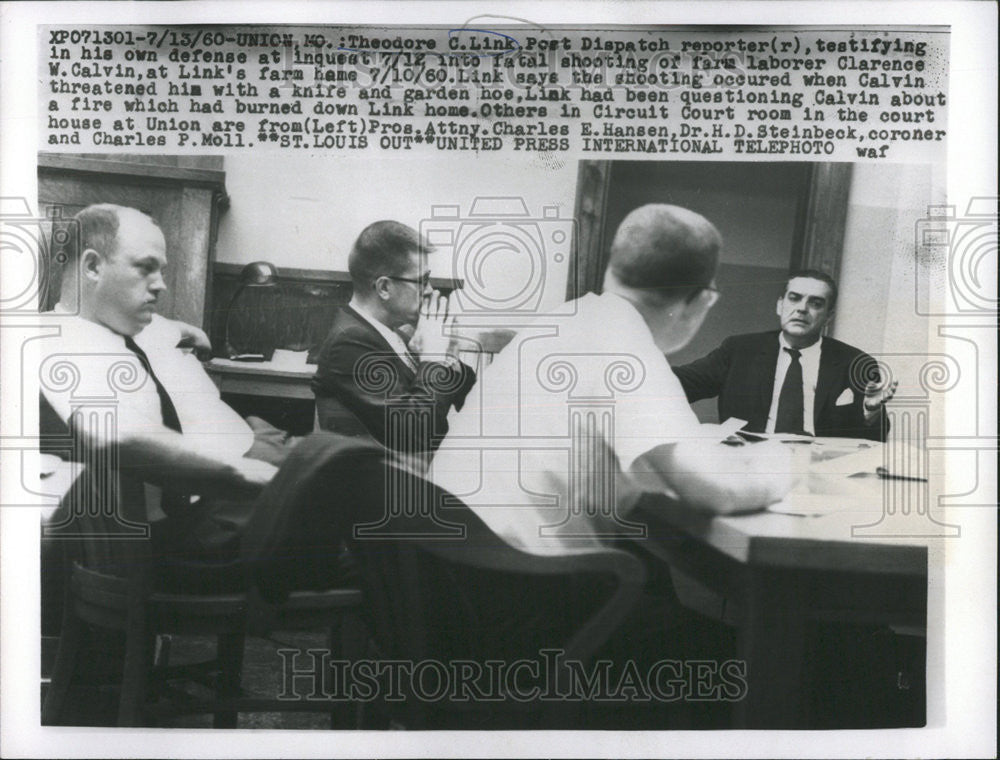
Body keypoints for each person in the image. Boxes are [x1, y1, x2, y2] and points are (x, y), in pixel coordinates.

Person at [430, 204, 796, 556]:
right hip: (523, 584)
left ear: (613, 267)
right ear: (702, 300)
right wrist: (782, 462)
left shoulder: (564, 319)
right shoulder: (628, 348)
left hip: (450, 564)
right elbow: (717, 493)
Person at [38, 203, 327, 591]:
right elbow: (108, 433)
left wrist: (186, 333)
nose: (161, 285)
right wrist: (238, 475)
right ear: (92, 267)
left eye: (163, 271)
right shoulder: (63, 347)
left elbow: (175, 331)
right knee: (360, 518)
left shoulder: (113, 326)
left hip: (198, 516)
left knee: (351, 480)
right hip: (178, 543)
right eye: (145, 267)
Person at [312, 220, 476, 458]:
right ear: (384, 288)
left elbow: (468, 396)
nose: (430, 290)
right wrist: (432, 360)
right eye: (422, 280)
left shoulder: (395, 332)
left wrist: (449, 358)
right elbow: (417, 434)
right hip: (375, 487)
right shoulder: (349, 342)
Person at [672, 270, 898, 441]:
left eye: (815, 303)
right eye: (794, 298)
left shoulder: (854, 363)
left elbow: (875, 440)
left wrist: (871, 413)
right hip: (749, 464)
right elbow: (680, 383)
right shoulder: (740, 351)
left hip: (819, 470)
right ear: (780, 305)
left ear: (828, 316)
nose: (802, 308)